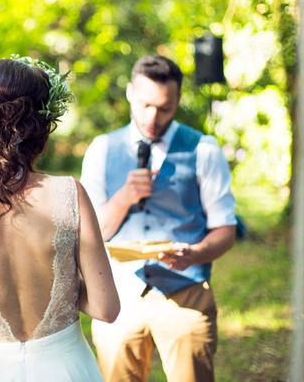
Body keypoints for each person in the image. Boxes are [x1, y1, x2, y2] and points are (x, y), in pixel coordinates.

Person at [0, 57, 120, 381]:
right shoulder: (70, 194)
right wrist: (64, 290)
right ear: (43, 125)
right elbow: (106, 309)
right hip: (65, 368)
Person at [81, 55, 236, 382]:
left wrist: (196, 253)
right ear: (129, 93)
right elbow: (94, 234)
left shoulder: (204, 149)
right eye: (145, 104)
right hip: (118, 296)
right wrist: (123, 197)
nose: (153, 117)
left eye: (164, 108)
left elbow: (226, 230)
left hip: (187, 293)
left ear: (178, 100)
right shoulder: (101, 149)